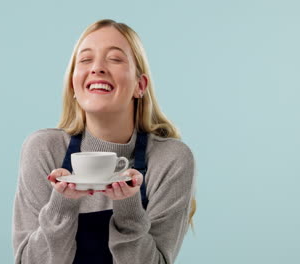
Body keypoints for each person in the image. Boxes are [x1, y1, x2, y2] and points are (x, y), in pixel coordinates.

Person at [12, 19, 196, 264]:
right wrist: (62, 204)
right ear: (73, 85)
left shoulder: (170, 159)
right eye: (86, 60)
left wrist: (129, 208)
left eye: (115, 59)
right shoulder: (43, 149)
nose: (97, 68)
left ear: (139, 86)